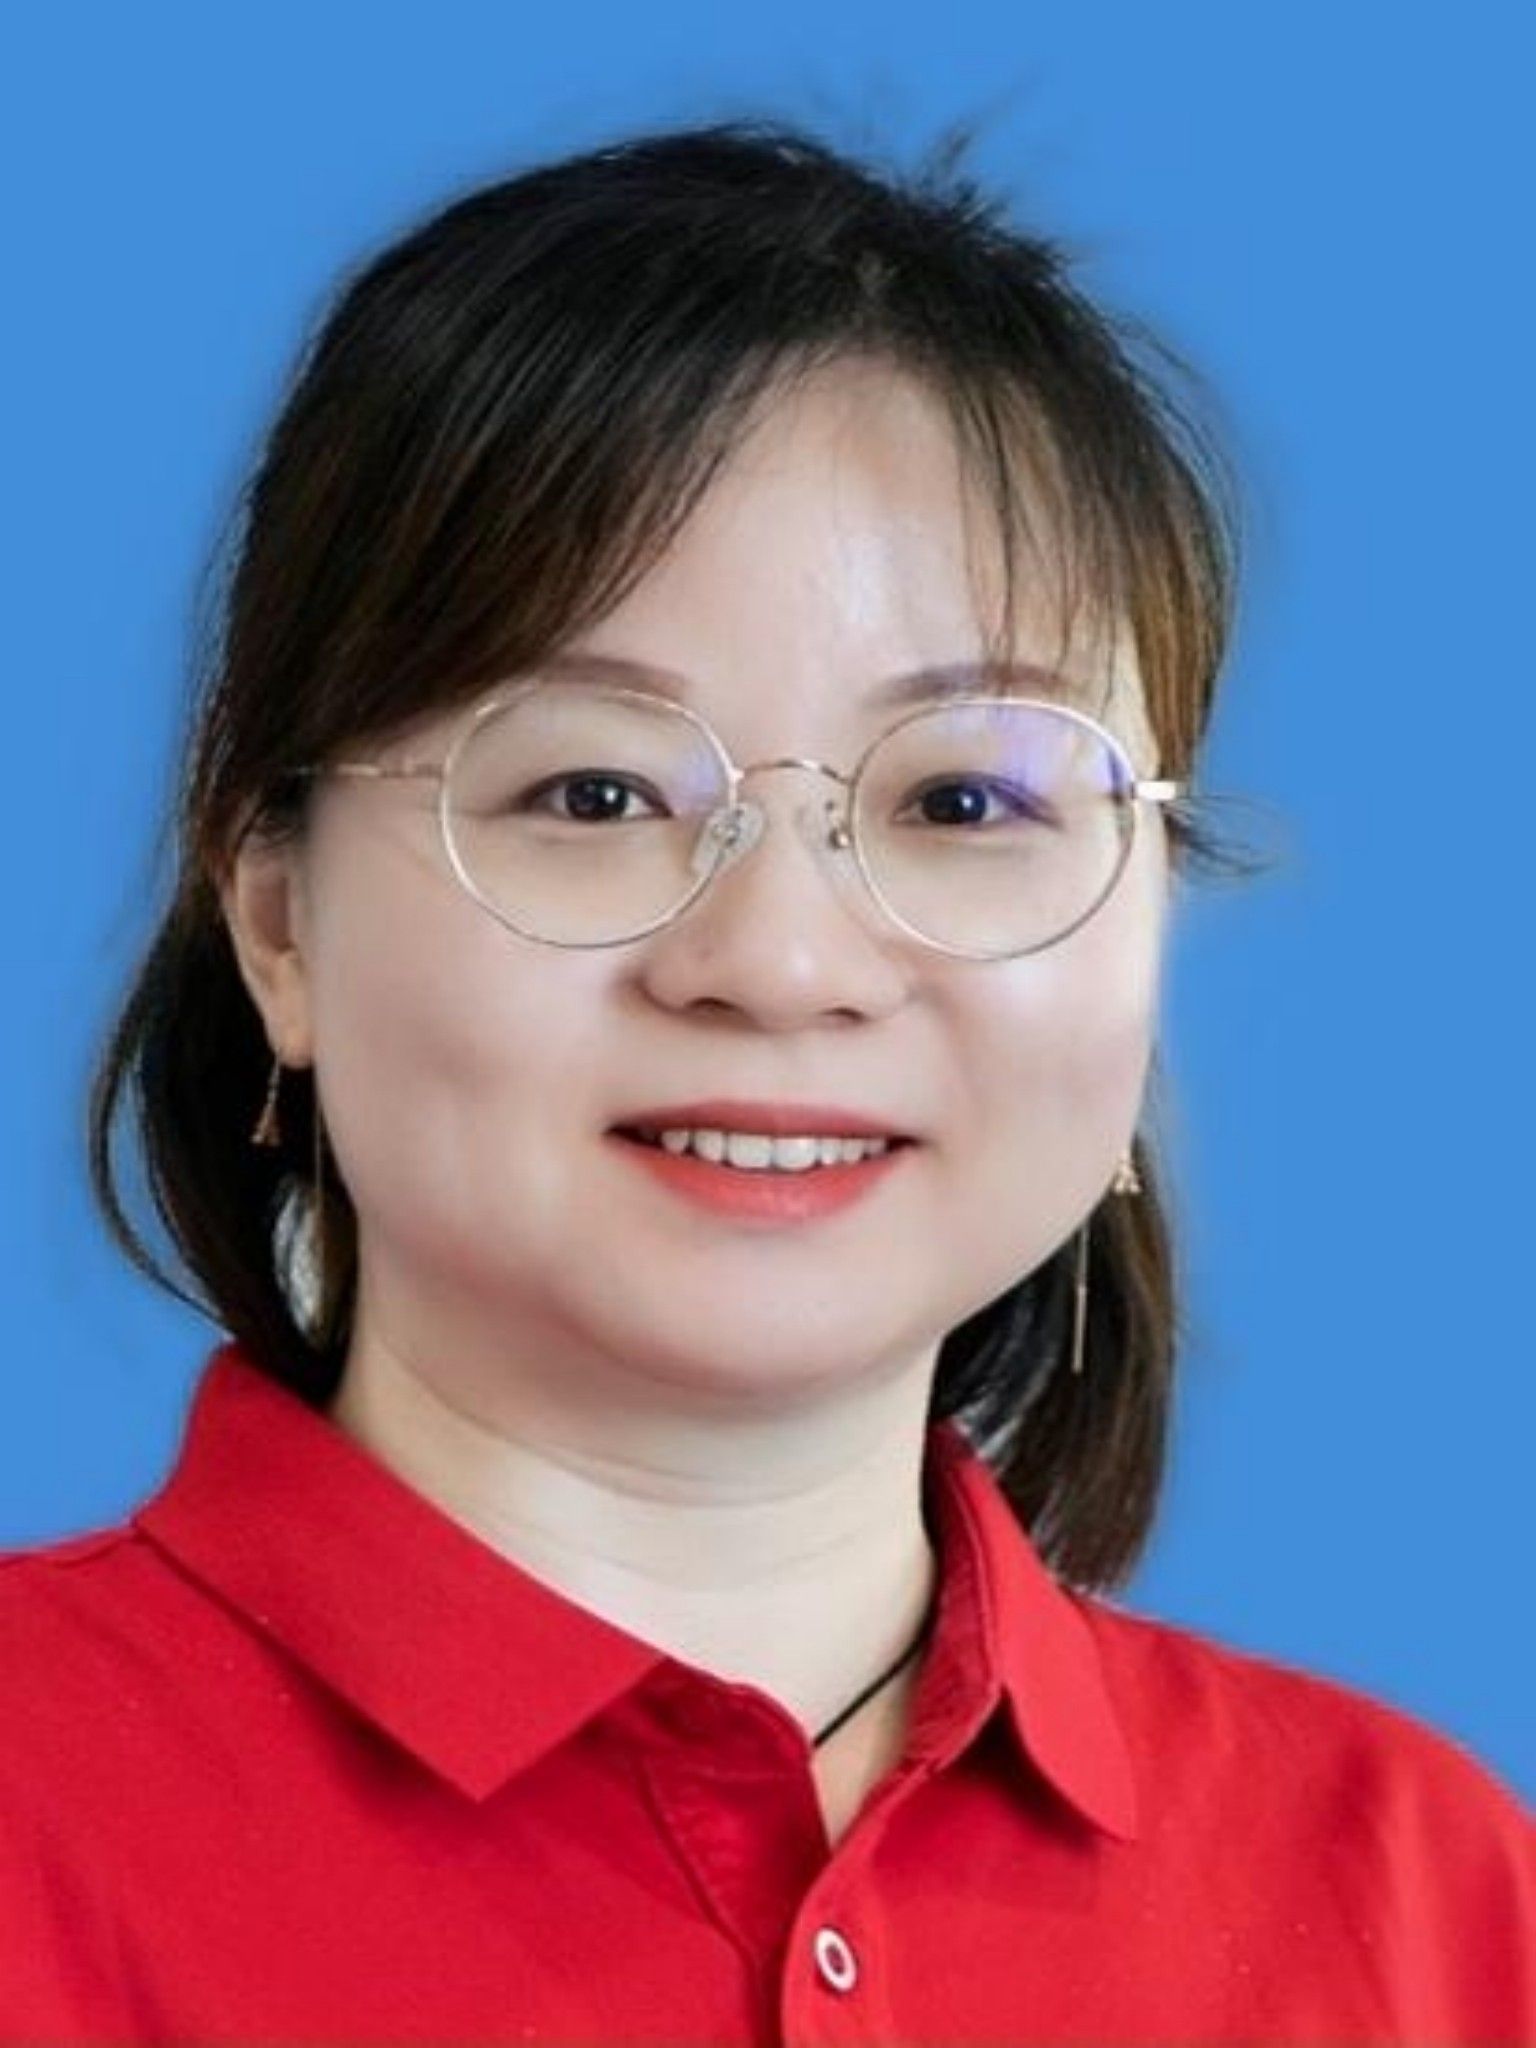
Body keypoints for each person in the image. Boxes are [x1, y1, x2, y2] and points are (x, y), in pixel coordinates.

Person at [1, 113, 1530, 2047]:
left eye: (962, 800)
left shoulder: (1430, 1898)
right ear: (279, 917)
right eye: (595, 793)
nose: (783, 965)